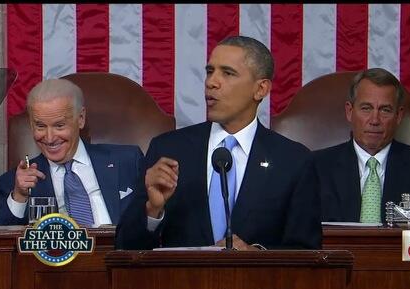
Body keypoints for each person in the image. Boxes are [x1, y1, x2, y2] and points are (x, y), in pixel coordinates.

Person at [116, 36, 321, 250]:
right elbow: (124, 246)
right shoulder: (168, 150)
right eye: (209, 71)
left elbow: (307, 253)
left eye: (228, 73)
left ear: (260, 89)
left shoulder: (293, 161)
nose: (211, 82)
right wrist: (153, 211)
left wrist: (258, 256)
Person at [0, 79, 145, 226]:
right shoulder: (15, 183)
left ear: (80, 118)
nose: (50, 138)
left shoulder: (128, 161)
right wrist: (19, 197)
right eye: (40, 126)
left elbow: (156, 222)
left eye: (59, 126)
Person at [313, 68, 410, 223]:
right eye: (366, 108)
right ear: (350, 111)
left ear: (398, 116)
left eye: (385, 110)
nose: (374, 120)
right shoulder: (315, 168)